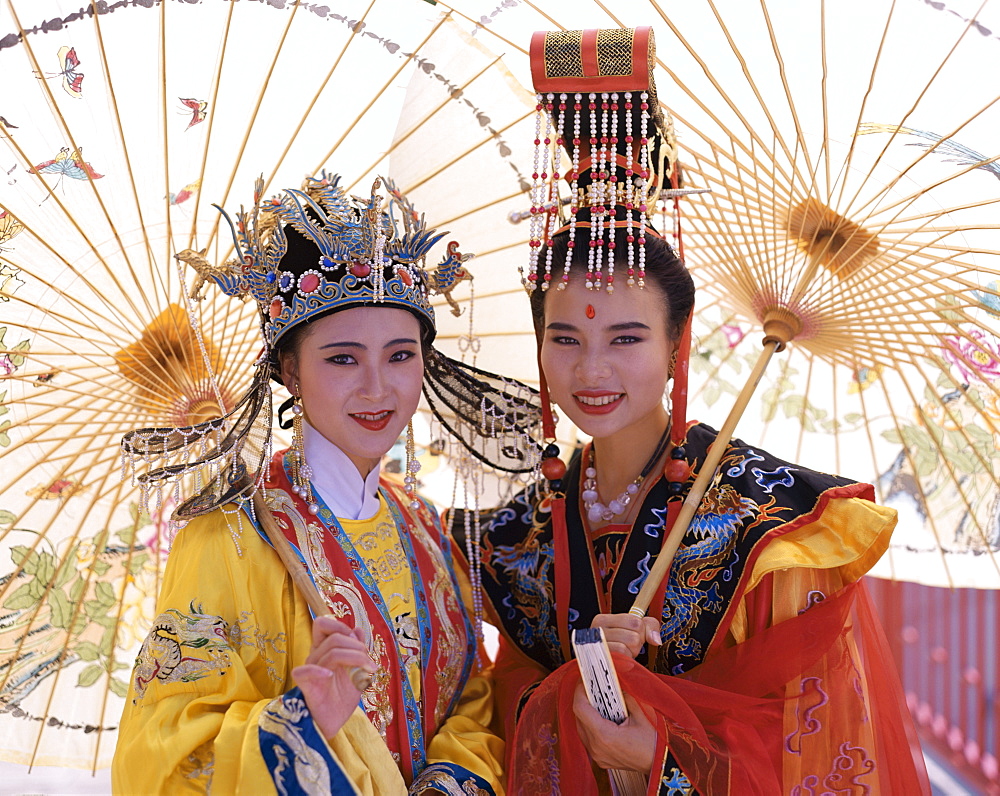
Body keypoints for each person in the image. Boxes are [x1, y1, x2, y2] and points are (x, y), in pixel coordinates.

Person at [462, 27, 930, 795]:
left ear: (679, 343)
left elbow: (830, 754)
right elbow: (493, 721)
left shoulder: (770, 531)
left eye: (627, 337)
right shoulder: (516, 541)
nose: (593, 370)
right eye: (565, 338)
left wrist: (662, 761)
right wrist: (565, 699)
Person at [113, 174, 534, 794]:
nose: (377, 388)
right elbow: (164, 754)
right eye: (342, 358)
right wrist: (300, 728)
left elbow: (472, 702)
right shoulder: (226, 539)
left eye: (400, 354)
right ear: (289, 370)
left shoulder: (424, 524)